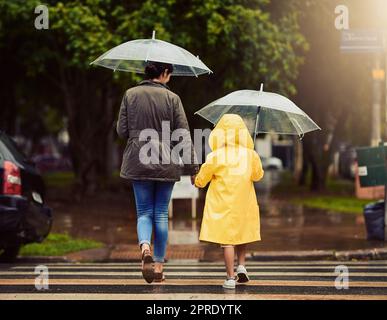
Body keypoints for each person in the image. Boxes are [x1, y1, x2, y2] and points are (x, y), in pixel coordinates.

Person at [116, 61, 198, 284]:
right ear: (163, 73)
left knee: (144, 212)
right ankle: (159, 268)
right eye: (169, 74)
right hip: (165, 161)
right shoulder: (173, 99)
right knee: (161, 213)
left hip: (137, 161)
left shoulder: (130, 94)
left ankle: (144, 247)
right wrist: (192, 168)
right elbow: (183, 135)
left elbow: (121, 131)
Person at [194, 114, 264, 289]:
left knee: (227, 241)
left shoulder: (216, 156)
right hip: (244, 202)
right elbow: (258, 176)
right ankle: (241, 265)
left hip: (223, 204)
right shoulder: (250, 155)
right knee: (242, 233)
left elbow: (202, 180)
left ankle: (230, 278)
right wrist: (253, 158)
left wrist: (196, 180)